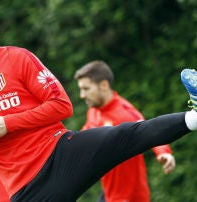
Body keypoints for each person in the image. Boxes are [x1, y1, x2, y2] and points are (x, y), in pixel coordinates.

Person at [0, 0, 197, 201]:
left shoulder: (17, 58)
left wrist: (7, 123)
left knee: (126, 136)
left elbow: (61, 105)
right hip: (27, 190)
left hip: (62, 153)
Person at [74, 60, 176, 202]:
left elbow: (149, 129)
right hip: (109, 194)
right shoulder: (94, 111)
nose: (82, 95)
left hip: (129, 197)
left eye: (86, 89)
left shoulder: (124, 113)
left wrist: (164, 152)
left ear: (104, 85)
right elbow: (84, 135)